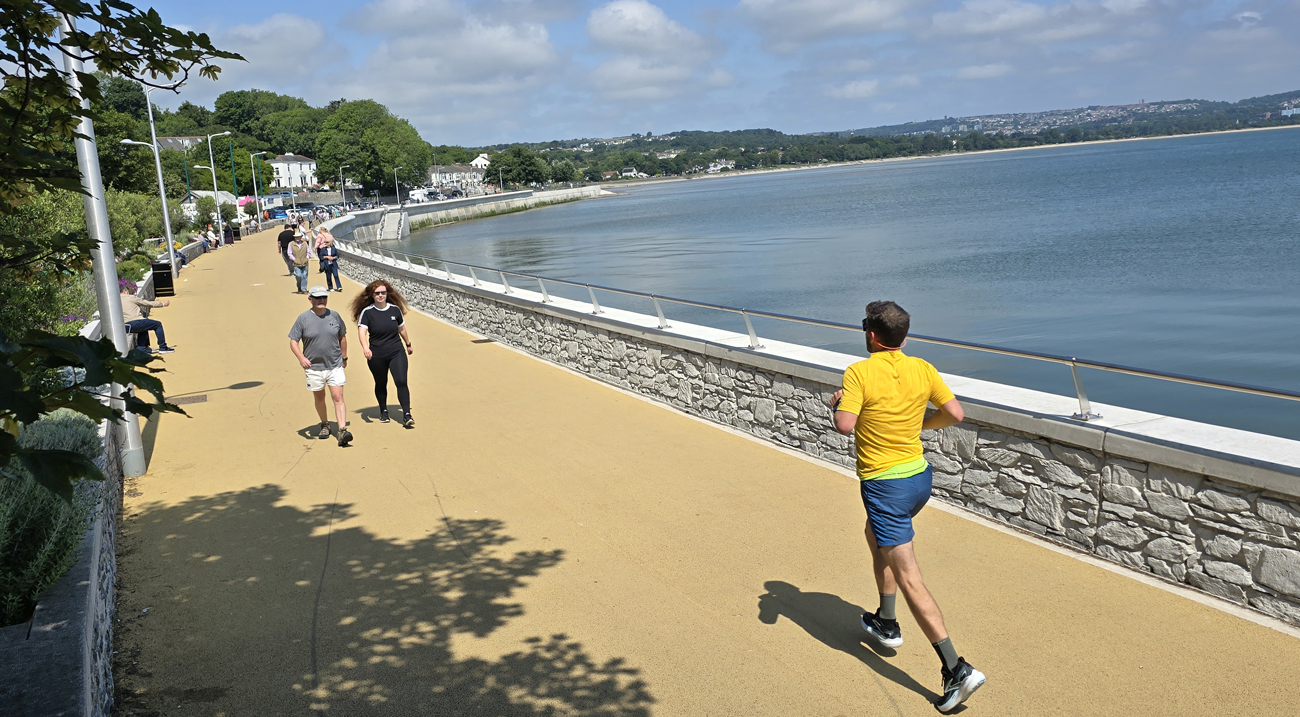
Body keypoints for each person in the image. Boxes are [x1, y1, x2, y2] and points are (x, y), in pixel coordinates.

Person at [829, 301, 983, 713]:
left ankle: (957, 668)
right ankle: (886, 619)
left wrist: (838, 404)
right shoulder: (923, 368)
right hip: (918, 479)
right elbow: (955, 414)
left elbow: (845, 425)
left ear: (872, 336)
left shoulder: (859, 372)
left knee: (910, 575)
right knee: (874, 535)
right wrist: (919, 424)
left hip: (886, 485)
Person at [288, 286, 352, 446]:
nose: (322, 300)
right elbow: (293, 341)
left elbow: (342, 337)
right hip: (313, 367)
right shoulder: (303, 319)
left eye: (324, 297)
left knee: (338, 397)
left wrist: (344, 357)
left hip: (334, 364)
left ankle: (342, 430)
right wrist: (301, 358)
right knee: (319, 397)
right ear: (310, 299)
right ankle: (325, 424)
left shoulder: (335, 316)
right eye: (318, 297)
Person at [350, 281, 414, 427]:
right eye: (377, 293)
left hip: (396, 351)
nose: (380, 295)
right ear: (372, 295)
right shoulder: (368, 312)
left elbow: (401, 328)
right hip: (376, 354)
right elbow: (362, 331)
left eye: (383, 293)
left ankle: (406, 414)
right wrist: (366, 348)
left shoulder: (395, 310)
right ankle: (383, 410)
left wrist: (408, 344)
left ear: (387, 294)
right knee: (381, 383)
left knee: (401, 381)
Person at [120, 284, 173, 354]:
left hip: (127, 326)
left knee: (144, 326)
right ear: (125, 291)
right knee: (157, 324)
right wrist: (162, 304)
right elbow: (147, 303)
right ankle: (163, 347)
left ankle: (141, 348)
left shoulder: (116, 301)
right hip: (137, 321)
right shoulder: (130, 297)